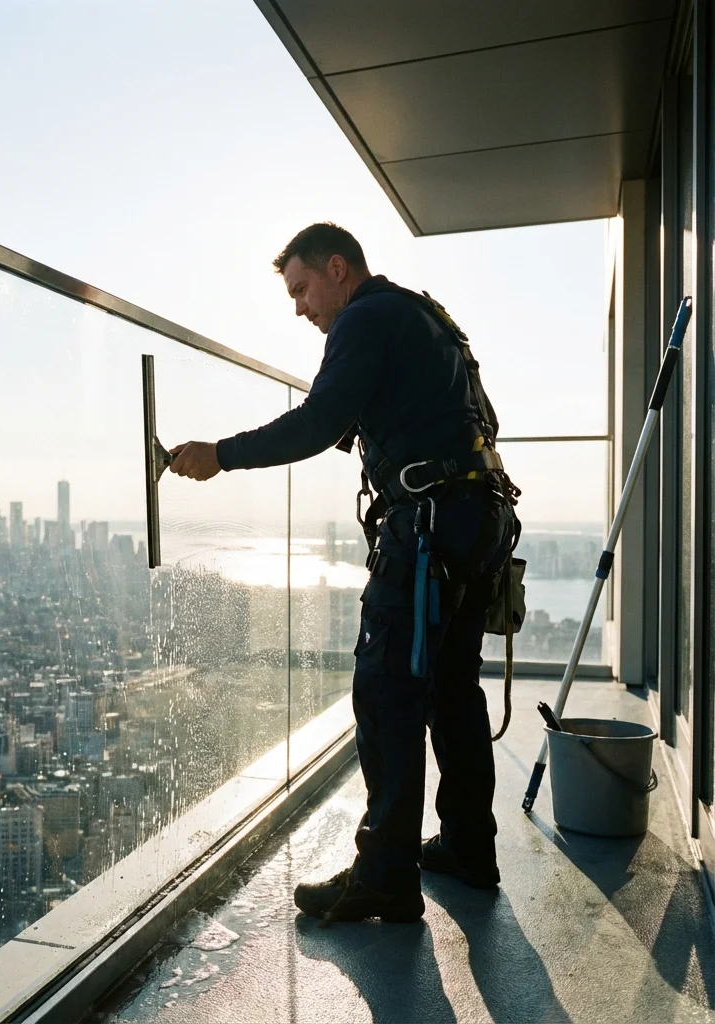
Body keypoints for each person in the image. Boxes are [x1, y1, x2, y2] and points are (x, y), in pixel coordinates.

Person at [169, 222, 518, 924]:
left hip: (426, 528)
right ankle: (469, 847)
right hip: (480, 518)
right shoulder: (423, 315)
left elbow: (317, 421)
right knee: (452, 691)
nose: (301, 309)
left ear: (337, 268)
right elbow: (475, 418)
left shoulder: (362, 319)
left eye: (302, 290)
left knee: (386, 694)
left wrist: (222, 454)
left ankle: (386, 874)